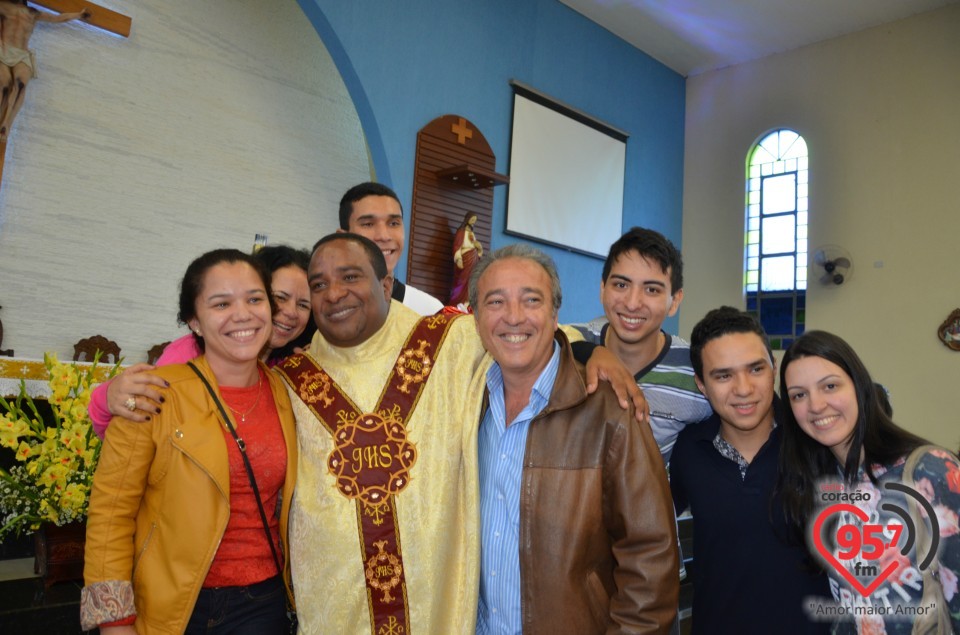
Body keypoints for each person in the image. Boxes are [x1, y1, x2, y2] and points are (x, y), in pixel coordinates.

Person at [273, 232, 644, 634]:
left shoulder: (445, 339)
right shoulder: (290, 381)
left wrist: (595, 352)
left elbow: (531, 335)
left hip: (441, 610)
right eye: (319, 285)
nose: (334, 294)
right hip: (338, 611)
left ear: (384, 285)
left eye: (350, 277)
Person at [80, 249, 298, 635]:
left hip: (264, 602)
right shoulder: (153, 393)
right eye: (221, 303)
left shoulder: (286, 394)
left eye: (254, 298)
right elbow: (110, 514)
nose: (242, 314)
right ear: (194, 321)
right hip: (174, 602)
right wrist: (114, 621)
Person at [471, 244, 678, 634]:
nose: (513, 317)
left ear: (554, 315)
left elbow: (650, 558)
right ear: (476, 317)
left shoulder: (610, 409)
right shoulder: (463, 404)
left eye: (531, 300)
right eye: (495, 302)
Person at [778, 330, 960, 634]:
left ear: (859, 387)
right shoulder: (822, 484)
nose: (816, 405)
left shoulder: (929, 469)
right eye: (799, 395)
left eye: (830, 386)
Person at [669, 306, 830, 634]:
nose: (743, 389)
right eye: (723, 375)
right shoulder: (687, 449)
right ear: (701, 383)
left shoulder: (818, 442)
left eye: (755, 369)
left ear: (773, 368)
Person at [87, 245, 314, 434]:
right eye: (279, 298)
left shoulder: (283, 368)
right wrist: (108, 396)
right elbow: (127, 433)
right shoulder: (186, 357)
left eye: (303, 304)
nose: (291, 312)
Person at [576, 227, 711, 463]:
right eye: (620, 285)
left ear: (674, 301)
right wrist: (591, 352)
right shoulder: (571, 341)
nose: (632, 303)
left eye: (652, 290)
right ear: (602, 289)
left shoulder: (695, 371)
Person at [337, 181, 444, 315]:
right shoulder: (324, 303)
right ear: (342, 238)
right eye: (368, 224)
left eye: (393, 223)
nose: (384, 236)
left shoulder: (429, 311)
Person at [0, 1, 90, 142]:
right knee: (4, 85)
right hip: (4, 50)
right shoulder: (4, 6)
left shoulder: (33, 13)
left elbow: (57, 18)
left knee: (20, 85)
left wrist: (78, 15)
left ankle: (6, 124)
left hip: (22, 54)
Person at [450, 210, 483, 306]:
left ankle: (467, 303)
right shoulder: (461, 232)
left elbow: (475, 247)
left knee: (471, 282)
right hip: (465, 260)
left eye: (475, 220)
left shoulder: (472, 234)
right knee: (462, 282)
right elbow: (457, 246)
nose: (473, 222)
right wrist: (458, 259)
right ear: (467, 219)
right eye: (472, 219)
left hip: (473, 260)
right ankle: (457, 302)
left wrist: (479, 249)